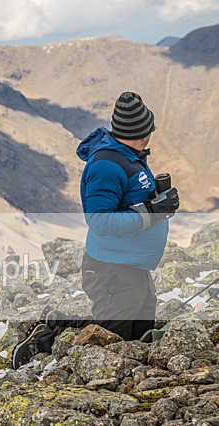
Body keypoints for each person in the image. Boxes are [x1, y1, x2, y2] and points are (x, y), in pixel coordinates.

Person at [12, 91, 180, 369]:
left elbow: (127, 202)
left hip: (131, 265)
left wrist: (159, 203)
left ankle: (131, 372)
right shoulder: (106, 165)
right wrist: (151, 212)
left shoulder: (130, 155)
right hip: (111, 268)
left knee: (138, 336)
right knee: (108, 339)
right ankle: (49, 336)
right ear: (140, 131)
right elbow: (100, 221)